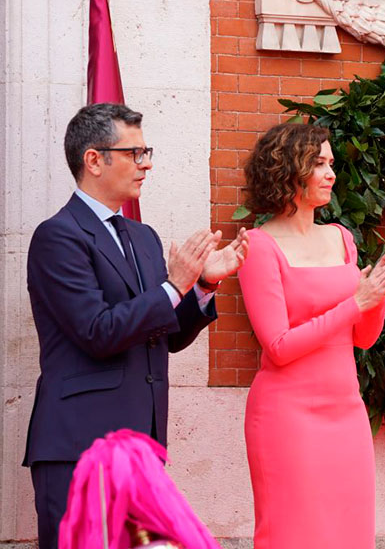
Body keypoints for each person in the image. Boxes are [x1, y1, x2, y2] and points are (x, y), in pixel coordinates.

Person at [23, 103, 247, 549]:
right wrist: (174, 285)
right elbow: (97, 331)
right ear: (94, 160)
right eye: (134, 153)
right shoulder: (57, 236)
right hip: (78, 445)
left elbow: (165, 335)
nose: (146, 164)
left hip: (141, 445)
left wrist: (202, 284)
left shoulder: (142, 237)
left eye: (147, 152)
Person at [239, 122, 385, 548]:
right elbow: (278, 346)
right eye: (318, 163)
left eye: (331, 163)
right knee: (292, 536)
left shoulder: (341, 238)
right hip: (287, 417)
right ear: (286, 170)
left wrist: (377, 296)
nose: (330, 173)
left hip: (346, 412)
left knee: (350, 535)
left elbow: (363, 339)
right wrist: (356, 302)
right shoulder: (259, 246)